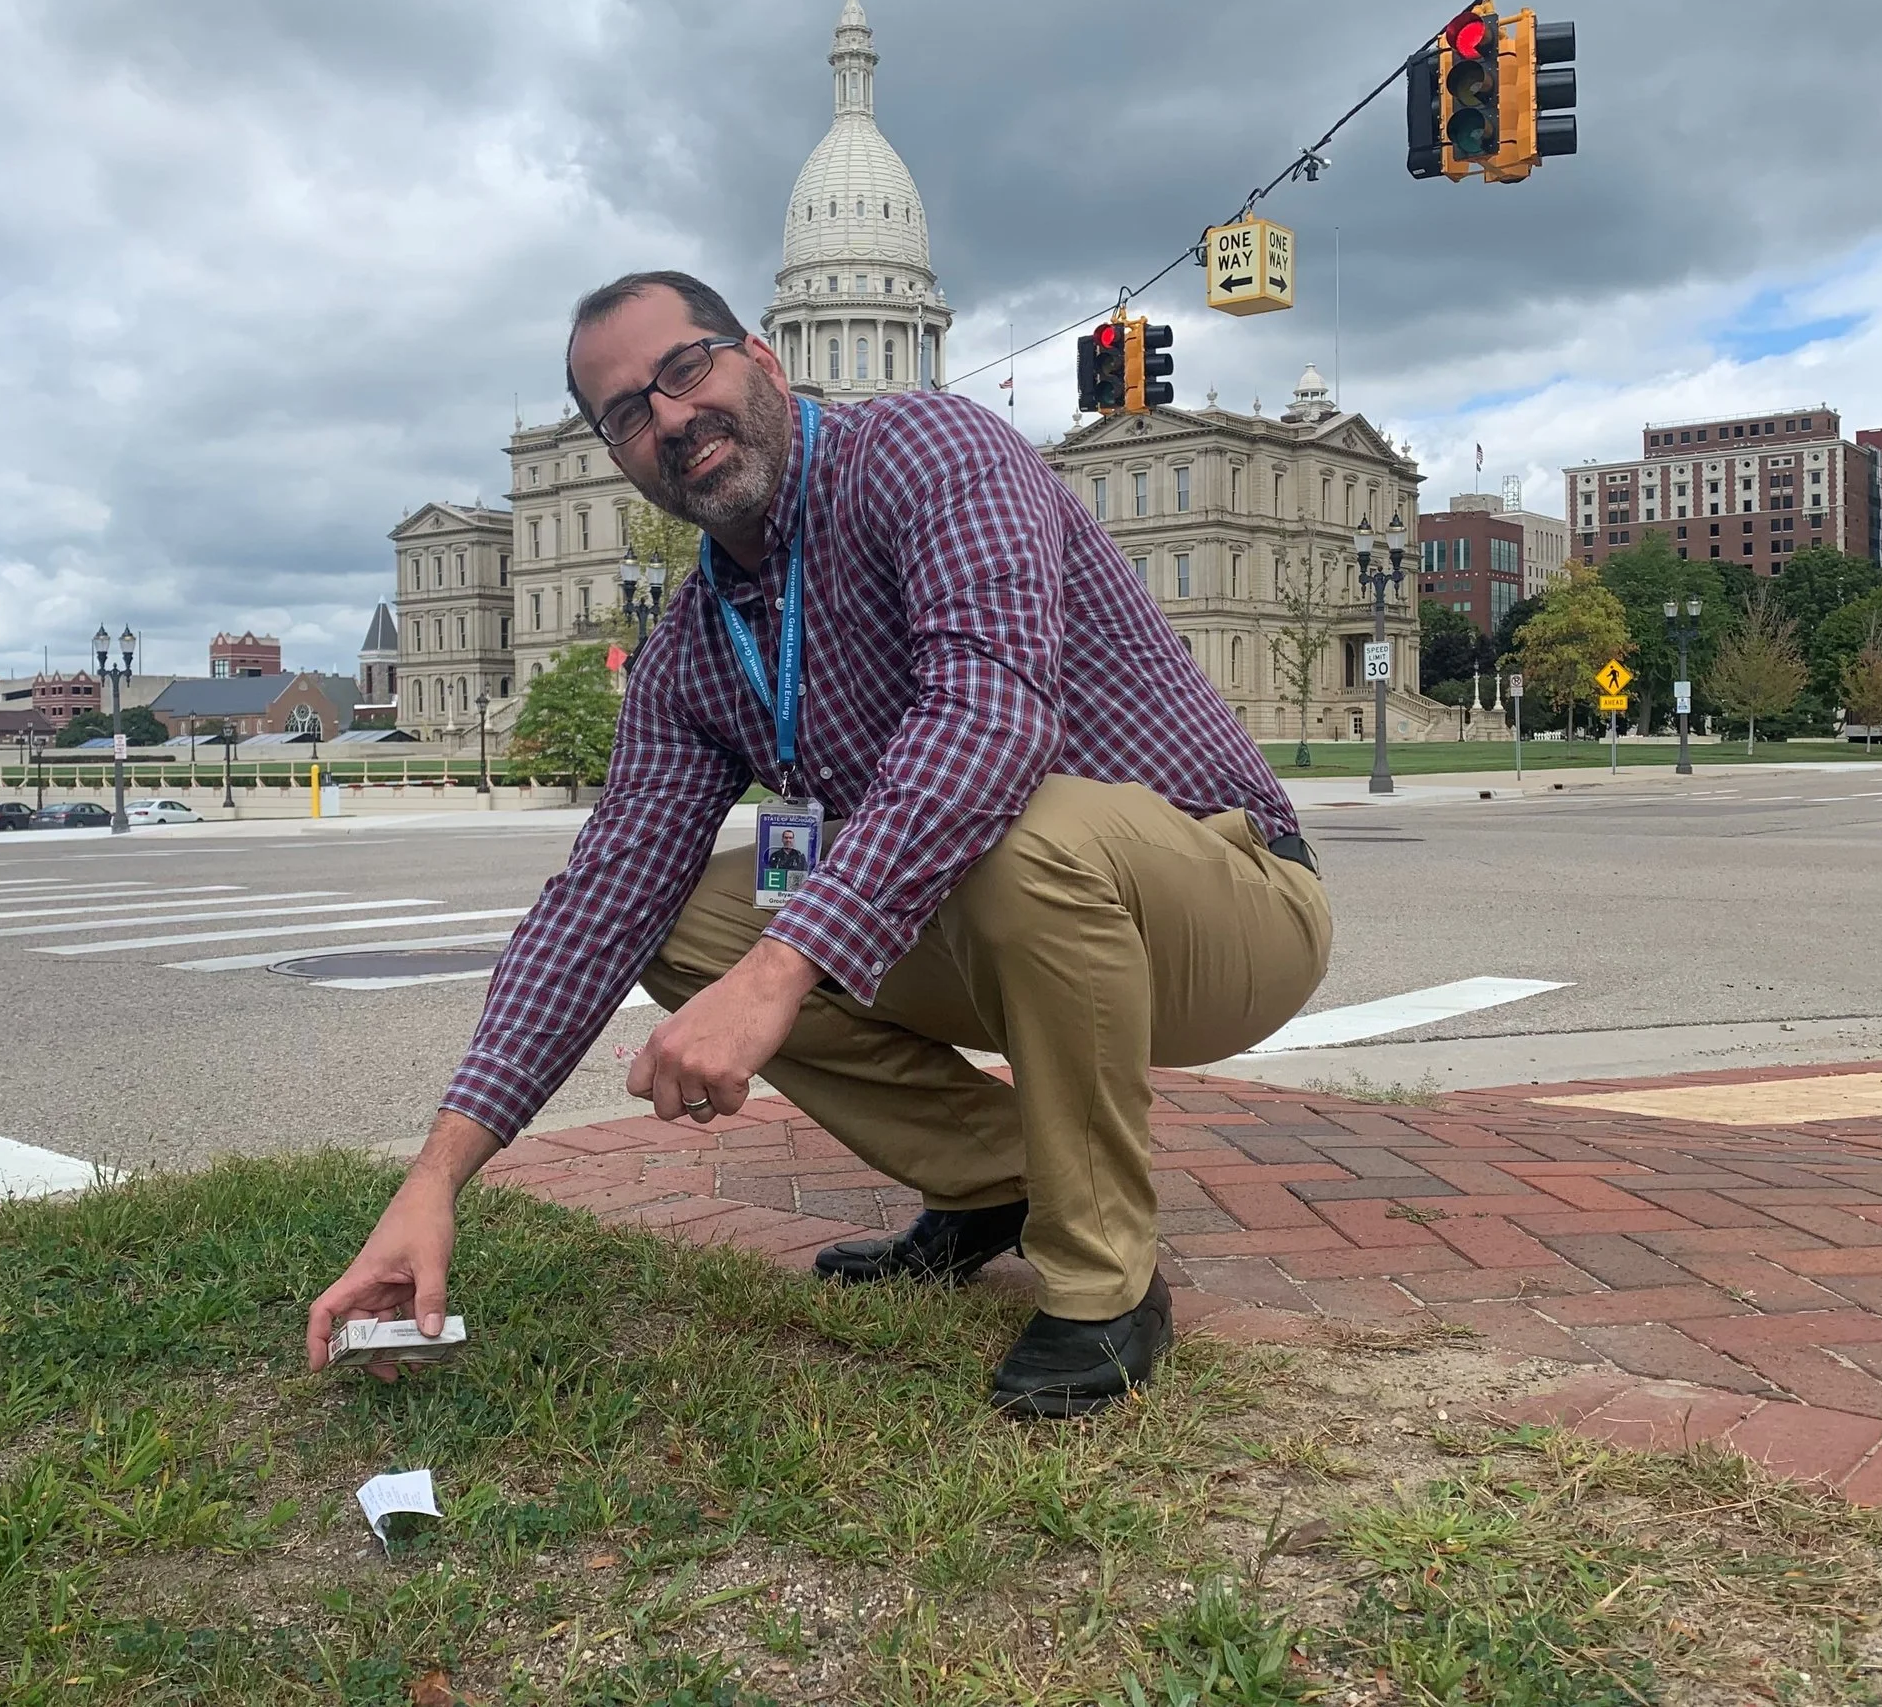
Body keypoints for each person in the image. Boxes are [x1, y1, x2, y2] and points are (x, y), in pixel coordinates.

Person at [306, 271, 1332, 1417]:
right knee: (678, 921)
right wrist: (437, 1176)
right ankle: (997, 1178)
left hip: (1225, 901)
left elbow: (991, 720)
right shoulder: (692, 651)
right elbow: (598, 901)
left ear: (764, 358)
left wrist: (782, 970)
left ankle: (1104, 1283)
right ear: (618, 458)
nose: (670, 418)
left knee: (1016, 825)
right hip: (998, 919)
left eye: (685, 369)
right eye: (627, 415)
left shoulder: (928, 453)